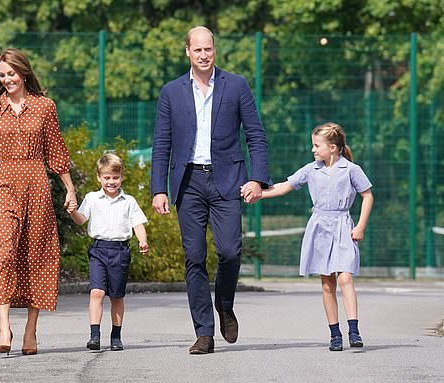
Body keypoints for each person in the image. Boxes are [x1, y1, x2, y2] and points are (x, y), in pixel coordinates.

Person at [150, 26, 271, 354]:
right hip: (188, 182)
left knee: (230, 251)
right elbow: (162, 143)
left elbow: (256, 136)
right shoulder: (171, 92)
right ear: (187, 51)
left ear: (214, 50)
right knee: (194, 258)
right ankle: (204, 332)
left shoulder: (237, 85)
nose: (204, 55)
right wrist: (158, 189)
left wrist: (257, 179)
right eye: (198, 50)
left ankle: (225, 304)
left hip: (228, 180)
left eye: (209, 49)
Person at [0, 48, 77, 356]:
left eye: (11, 74)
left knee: (35, 254)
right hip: (4, 185)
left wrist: (69, 189)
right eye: (2, 75)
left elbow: (56, 151)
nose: (7, 80)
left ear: (23, 73)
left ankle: (31, 331)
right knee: (0, 249)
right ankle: (4, 326)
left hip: (38, 185)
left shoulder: (44, 107)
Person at [259, 122, 373, 351]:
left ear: (332, 147)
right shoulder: (311, 169)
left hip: (342, 227)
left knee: (345, 278)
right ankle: (335, 335)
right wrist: (258, 194)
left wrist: (360, 226)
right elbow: (284, 186)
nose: (313, 150)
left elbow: (367, 196)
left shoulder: (351, 169)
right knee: (327, 282)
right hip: (319, 228)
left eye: (316, 145)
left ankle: (354, 330)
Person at [68, 153, 149, 352]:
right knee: (96, 292)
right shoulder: (92, 198)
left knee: (116, 296)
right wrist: (72, 211)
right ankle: (94, 335)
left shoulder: (128, 201)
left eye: (115, 177)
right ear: (99, 177)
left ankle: (116, 335)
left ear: (121, 177)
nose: (111, 181)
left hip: (120, 251)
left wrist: (143, 241)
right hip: (98, 249)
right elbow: (81, 219)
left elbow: (137, 223)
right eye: (107, 177)